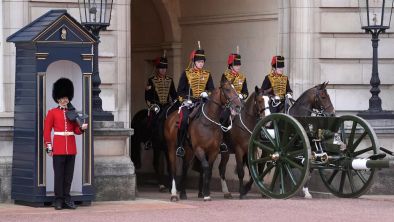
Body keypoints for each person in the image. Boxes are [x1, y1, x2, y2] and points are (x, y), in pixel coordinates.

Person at [44, 78, 88, 210]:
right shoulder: (52, 113)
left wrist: (81, 128)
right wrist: (49, 148)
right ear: (57, 99)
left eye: (66, 98)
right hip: (58, 148)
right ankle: (58, 199)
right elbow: (46, 132)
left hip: (71, 149)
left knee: (68, 176)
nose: (64, 100)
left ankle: (67, 198)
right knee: (59, 176)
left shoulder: (72, 113)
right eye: (62, 98)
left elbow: (75, 131)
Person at [176, 47, 215, 157]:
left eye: (202, 62)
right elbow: (179, 91)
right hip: (189, 103)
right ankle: (180, 145)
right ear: (194, 62)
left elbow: (212, 89)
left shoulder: (207, 74)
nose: (201, 64)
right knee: (184, 120)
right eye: (199, 61)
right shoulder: (186, 73)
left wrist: (207, 93)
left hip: (203, 102)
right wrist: (185, 100)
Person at [144, 55, 178, 149]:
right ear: (157, 69)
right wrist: (152, 106)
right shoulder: (151, 80)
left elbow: (174, 94)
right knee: (152, 121)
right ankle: (149, 140)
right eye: (161, 68)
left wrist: (175, 102)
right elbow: (147, 97)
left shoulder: (170, 80)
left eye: (164, 68)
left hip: (167, 106)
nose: (163, 70)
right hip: (156, 105)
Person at [219, 52, 249, 152]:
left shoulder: (242, 77)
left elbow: (246, 92)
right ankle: (222, 140)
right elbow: (223, 90)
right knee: (222, 117)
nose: (238, 66)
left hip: (240, 102)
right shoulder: (225, 75)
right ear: (231, 66)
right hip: (229, 103)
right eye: (236, 65)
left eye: (239, 64)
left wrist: (242, 95)